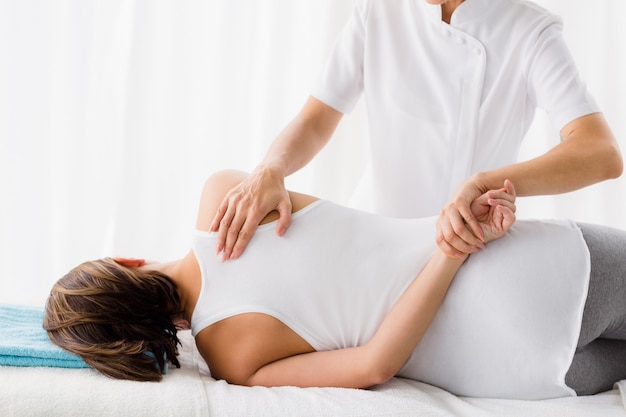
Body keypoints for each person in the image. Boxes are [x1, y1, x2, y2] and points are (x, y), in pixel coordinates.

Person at [44, 170, 626, 400]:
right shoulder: (227, 199)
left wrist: (451, 256)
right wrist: (454, 248)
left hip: (508, 372)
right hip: (527, 271)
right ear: (123, 260)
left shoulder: (231, 359)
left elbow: (374, 365)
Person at [208, 0, 622, 262]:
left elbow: (600, 153)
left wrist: (483, 183)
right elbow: (315, 119)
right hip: (372, 240)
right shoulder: (378, 12)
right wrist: (271, 168)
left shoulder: (530, 30)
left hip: (472, 249)